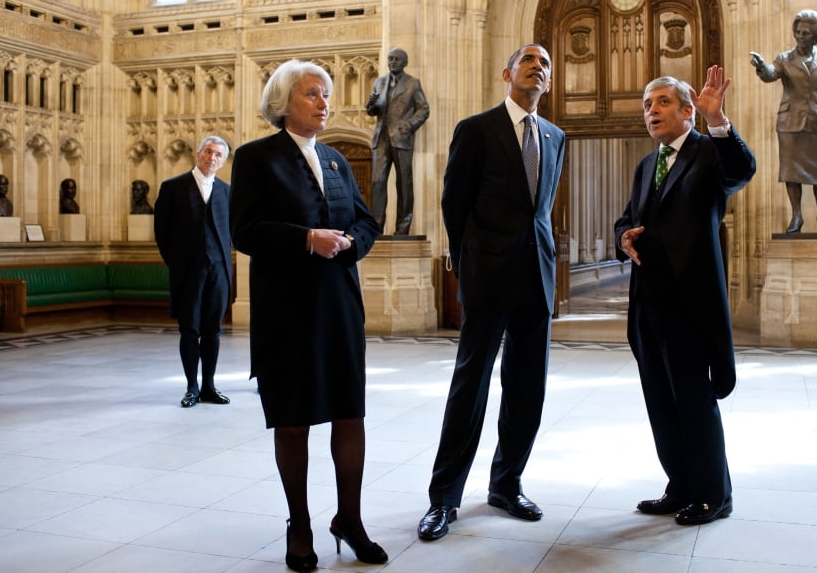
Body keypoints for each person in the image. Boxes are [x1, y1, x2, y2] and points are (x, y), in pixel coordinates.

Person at [230, 60, 383, 571]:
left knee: (349, 415)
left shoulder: (337, 160)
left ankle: (351, 520)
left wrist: (348, 245)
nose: (324, 103)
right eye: (314, 94)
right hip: (286, 311)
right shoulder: (256, 158)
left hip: (339, 304)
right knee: (294, 423)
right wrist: (305, 238)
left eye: (326, 95)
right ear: (284, 102)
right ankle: (300, 524)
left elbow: (365, 221)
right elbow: (245, 230)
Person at [418, 44, 566, 541]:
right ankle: (444, 498)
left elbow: (541, 209)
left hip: (536, 276)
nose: (537, 67)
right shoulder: (477, 129)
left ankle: (507, 483)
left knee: (528, 386)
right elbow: (453, 202)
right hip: (487, 274)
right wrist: (466, 264)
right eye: (528, 60)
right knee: (472, 383)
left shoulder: (555, 136)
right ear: (507, 72)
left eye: (544, 64)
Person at [613, 66, 756, 526]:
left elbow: (741, 172)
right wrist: (623, 238)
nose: (651, 111)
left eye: (662, 102)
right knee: (660, 400)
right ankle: (680, 487)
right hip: (649, 305)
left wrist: (719, 123)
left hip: (690, 304)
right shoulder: (645, 164)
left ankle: (714, 495)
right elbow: (626, 218)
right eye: (647, 105)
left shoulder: (709, 154)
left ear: (688, 110)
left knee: (694, 402)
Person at [154, 136, 233, 409]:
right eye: (208, 152)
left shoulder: (227, 191)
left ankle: (209, 386)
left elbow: (230, 231)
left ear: (223, 161)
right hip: (188, 272)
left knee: (213, 330)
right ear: (198, 154)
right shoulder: (173, 188)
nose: (212, 158)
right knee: (189, 330)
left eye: (218, 155)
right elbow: (162, 233)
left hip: (219, 271)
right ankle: (192, 387)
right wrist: (178, 263)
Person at [750, 9, 817, 233]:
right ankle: (797, 216)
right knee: (791, 171)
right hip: (789, 122)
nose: (800, 36)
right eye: (798, 31)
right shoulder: (785, 59)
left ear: (815, 36)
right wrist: (762, 67)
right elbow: (771, 74)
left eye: (806, 33)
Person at [366, 47, 430, 235]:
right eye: (390, 59)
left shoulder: (412, 83)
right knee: (378, 182)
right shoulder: (379, 82)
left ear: (405, 62)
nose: (392, 62)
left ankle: (402, 228)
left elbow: (424, 109)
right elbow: (373, 110)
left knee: (404, 183)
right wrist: (370, 104)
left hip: (402, 138)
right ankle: (376, 227)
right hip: (382, 138)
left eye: (396, 59)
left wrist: (409, 125)